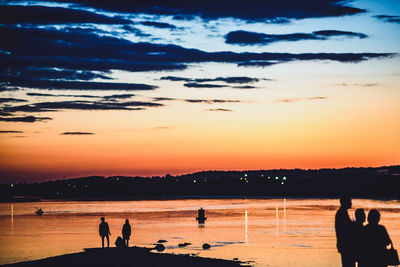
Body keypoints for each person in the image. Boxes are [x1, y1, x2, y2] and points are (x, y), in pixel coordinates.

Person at [335, 196, 354, 267]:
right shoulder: (342, 214)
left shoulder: (342, 213)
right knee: (348, 264)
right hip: (346, 244)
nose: (351, 203)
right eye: (349, 202)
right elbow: (344, 230)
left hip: (344, 244)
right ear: (345, 203)